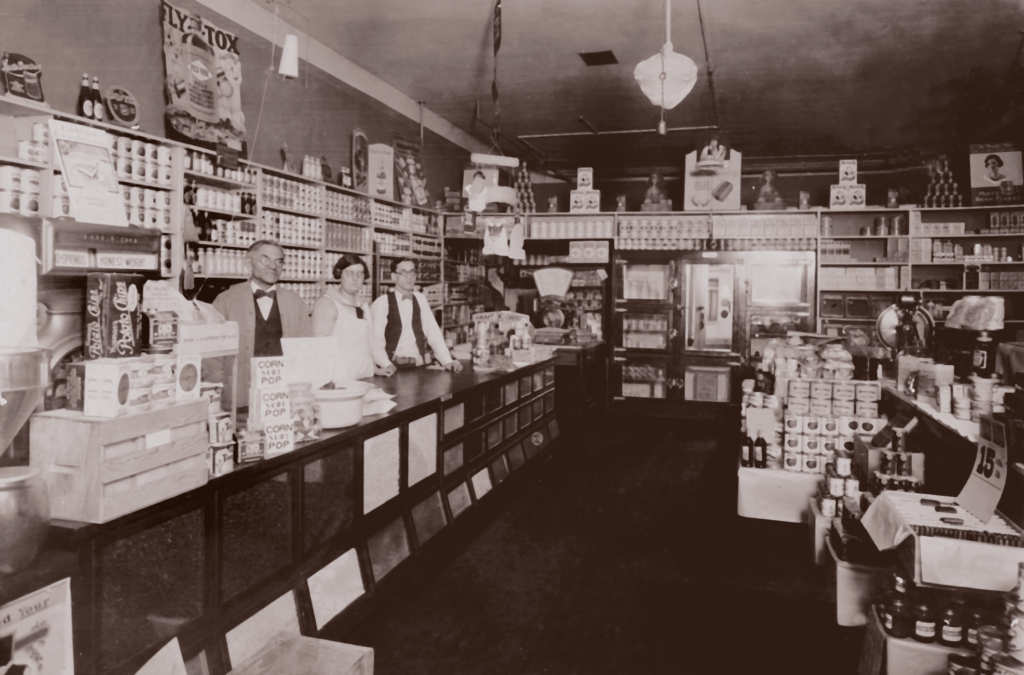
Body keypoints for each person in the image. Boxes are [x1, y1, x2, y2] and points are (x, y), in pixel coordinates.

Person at [210, 239, 311, 409]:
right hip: (239, 400)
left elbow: (307, 350)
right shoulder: (226, 300)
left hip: (284, 398)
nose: (273, 266)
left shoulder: (295, 302)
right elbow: (212, 358)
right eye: (265, 259)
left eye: (279, 261)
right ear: (248, 264)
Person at [371, 258, 463, 374]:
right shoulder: (382, 303)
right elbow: (375, 342)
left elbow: (433, 332)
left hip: (417, 366)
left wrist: (447, 361)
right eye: (403, 272)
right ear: (394, 276)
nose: (409, 277)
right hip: (391, 368)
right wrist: (386, 364)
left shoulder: (420, 298)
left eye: (412, 272)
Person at [311, 254, 382, 381]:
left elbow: (366, 345)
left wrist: (376, 369)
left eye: (360, 274)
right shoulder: (327, 304)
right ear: (340, 274)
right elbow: (318, 349)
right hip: (339, 381)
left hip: (365, 376)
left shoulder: (364, 305)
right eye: (350, 273)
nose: (355, 278)